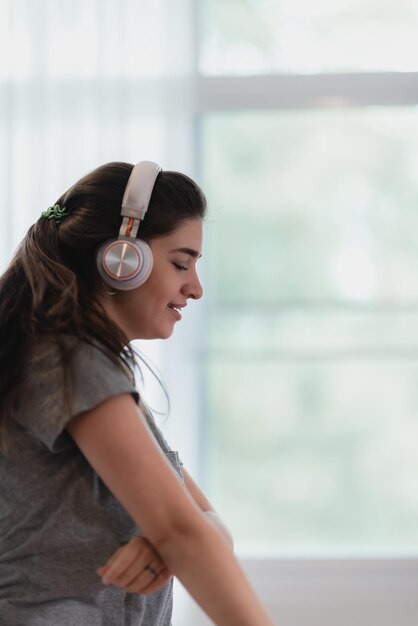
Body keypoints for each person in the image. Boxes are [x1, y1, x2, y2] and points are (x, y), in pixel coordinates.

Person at [0, 160, 274, 626]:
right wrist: (176, 535)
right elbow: (188, 530)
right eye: (180, 263)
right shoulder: (68, 363)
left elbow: (206, 527)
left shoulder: (89, 370)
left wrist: (166, 540)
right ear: (121, 258)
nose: (196, 287)